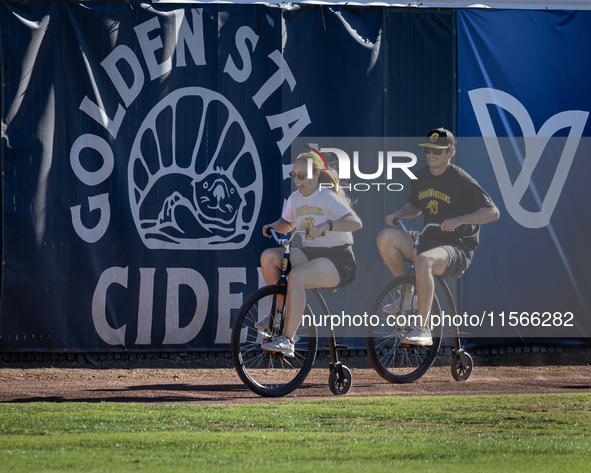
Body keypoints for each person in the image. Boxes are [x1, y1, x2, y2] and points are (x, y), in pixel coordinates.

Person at [377, 128, 499, 346]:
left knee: (423, 260)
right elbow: (414, 206)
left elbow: (493, 212)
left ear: (451, 152)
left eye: (438, 151)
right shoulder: (421, 176)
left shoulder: (460, 178)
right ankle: (408, 294)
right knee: (386, 237)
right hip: (428, 240)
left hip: (458, 248)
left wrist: (460, 220)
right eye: (428, 150)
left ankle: (423, 329)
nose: (431, 155)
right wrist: (399, 213)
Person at [258, 151, 362, 357]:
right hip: (311, 253)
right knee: (269, 257)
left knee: (295, 277)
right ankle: (277, 317)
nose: (297, 180)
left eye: (302, 175)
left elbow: (356, 222)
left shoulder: (327, 197)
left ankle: (287, 340)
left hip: (339, 259)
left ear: (315, 175)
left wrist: (327, 225)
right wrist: (273, 226)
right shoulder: (294, 199)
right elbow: (287, 224)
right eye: (294, 175)